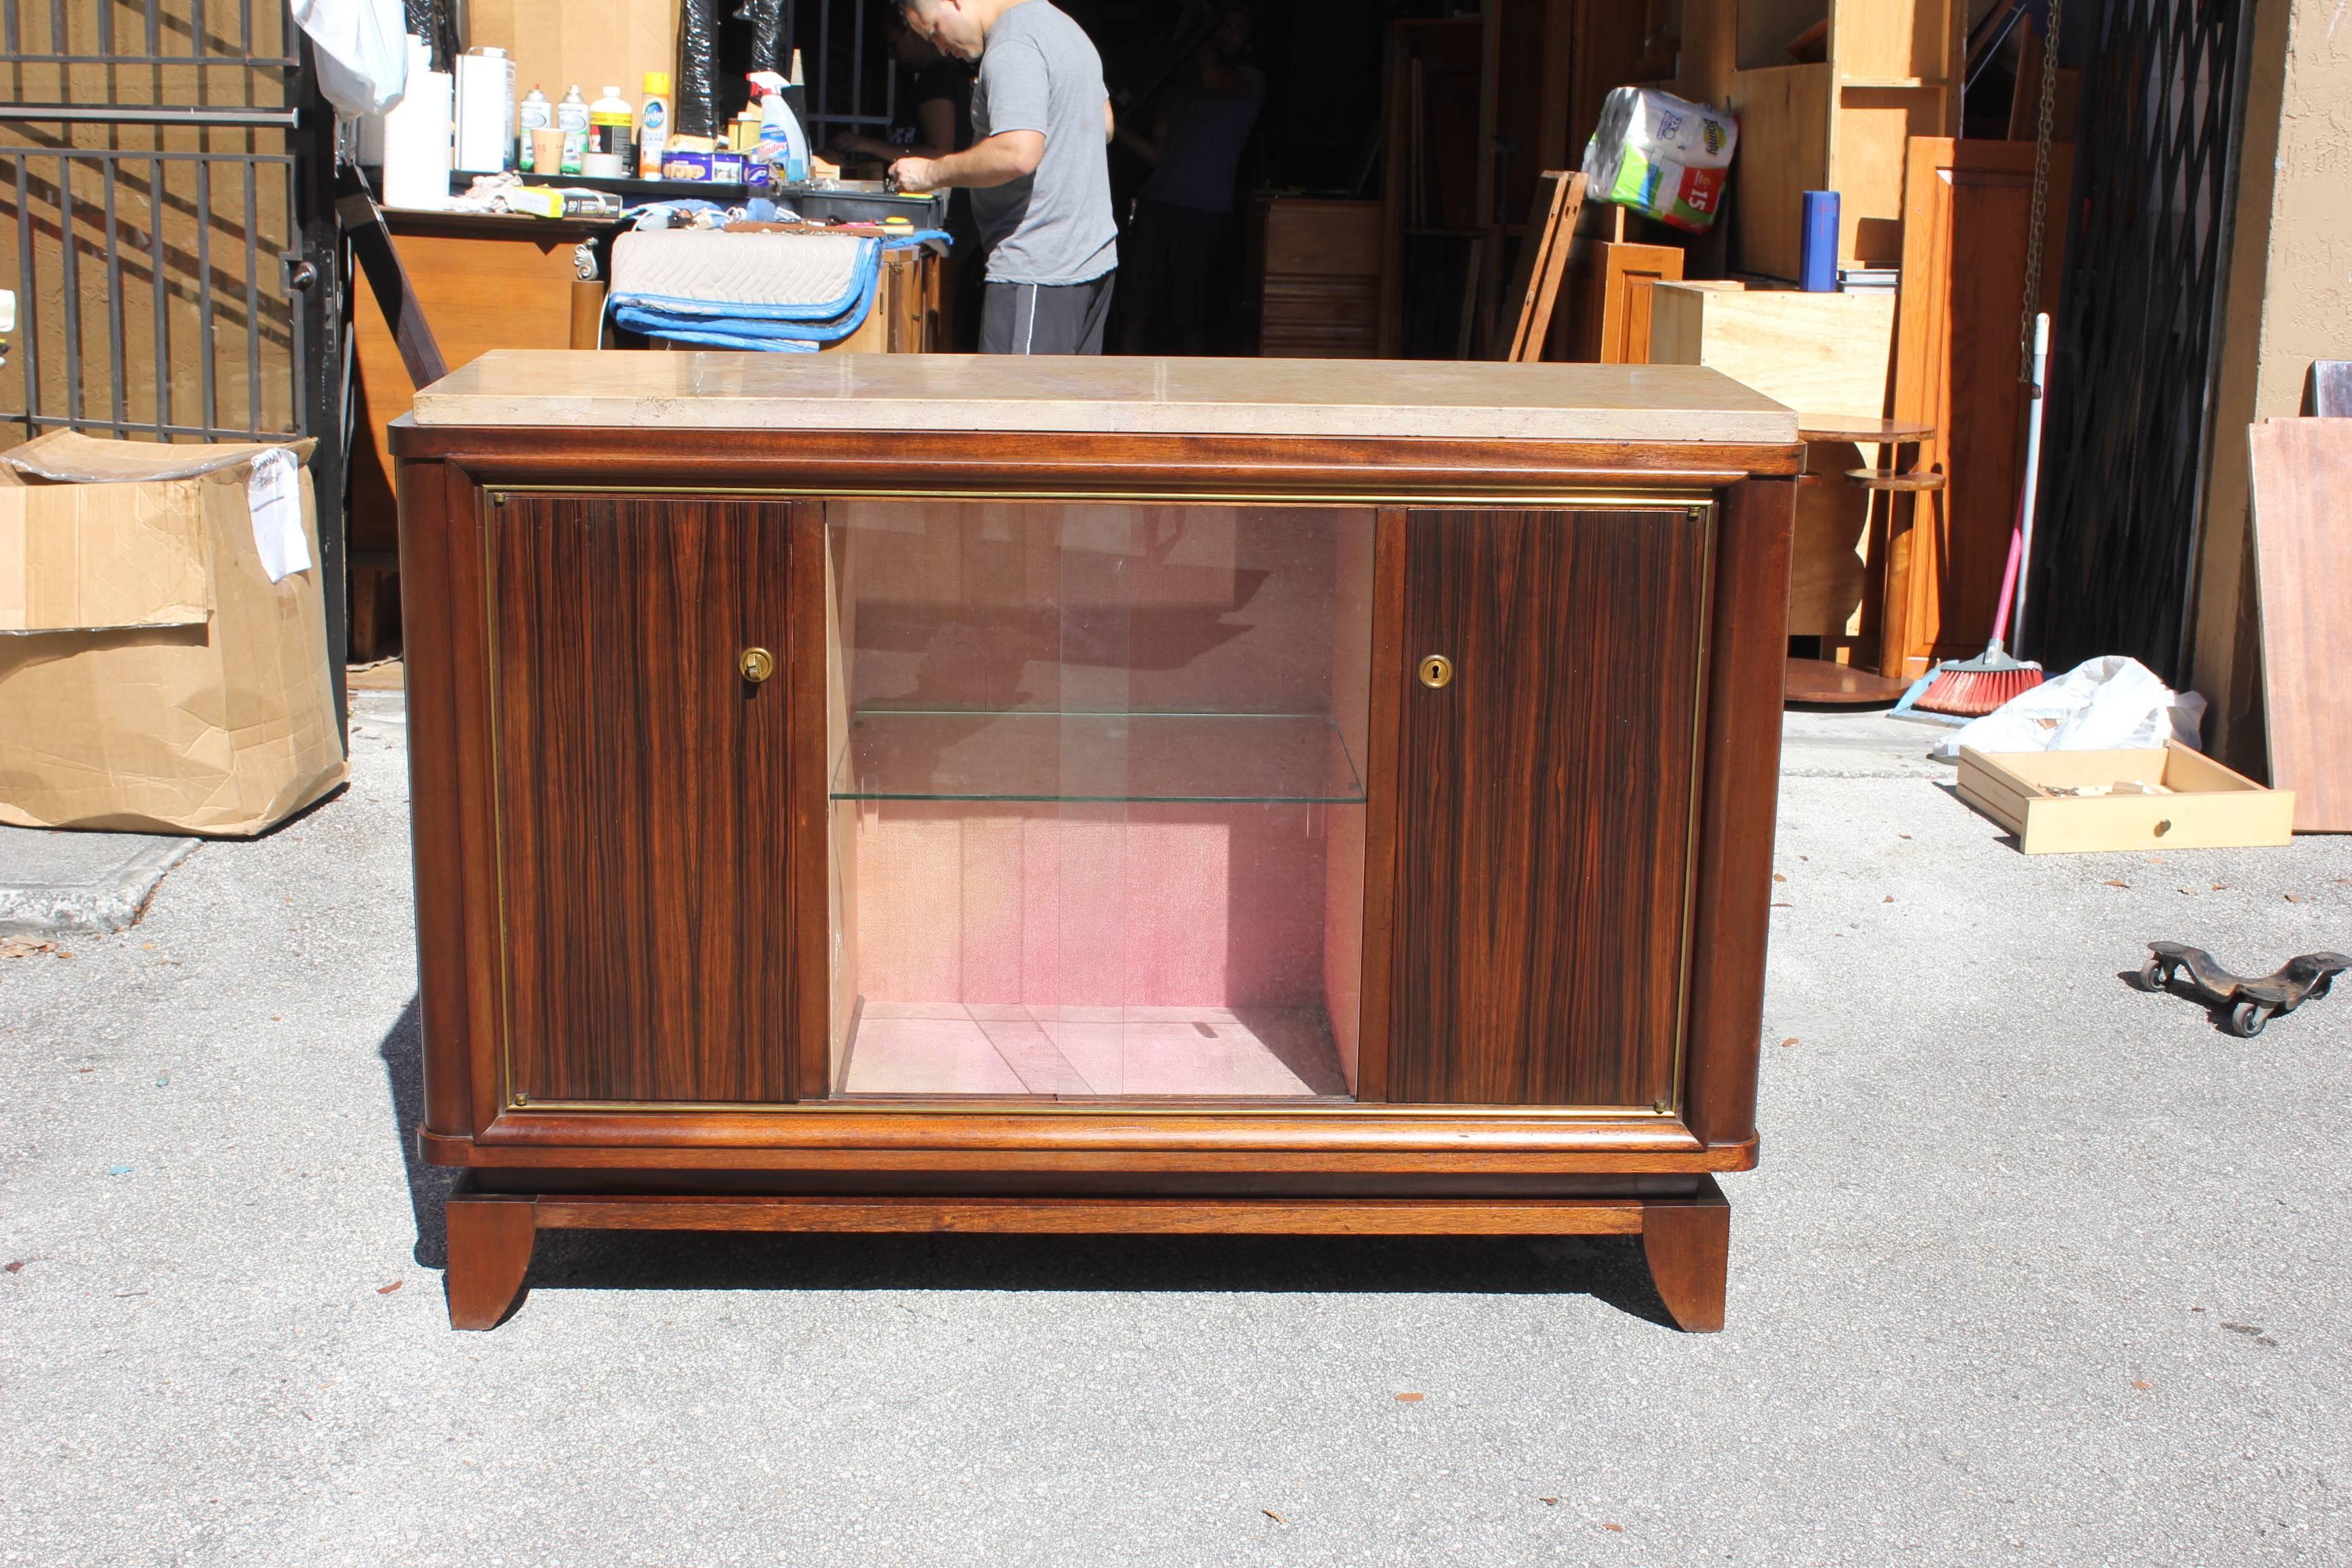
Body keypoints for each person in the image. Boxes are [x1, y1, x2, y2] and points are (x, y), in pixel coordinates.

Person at [889, 0, 1119, 355]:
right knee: (1067, 408)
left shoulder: (1012, 45)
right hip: (1092, 262)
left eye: (935, 30)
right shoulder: (1066, 28)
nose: (940, 48)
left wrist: (931, 172)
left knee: (1018, 408)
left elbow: (1017, 153)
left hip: (1037, 268)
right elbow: (1105, 125)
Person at [1113, 5, 1263, 354]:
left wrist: (1197, 30)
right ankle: (1120, 397)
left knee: (1191, 319)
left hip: (1202, 212)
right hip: (1156, 207)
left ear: (1250, 42)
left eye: (1238, 28)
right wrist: (1115, 128)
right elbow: (1157, 155)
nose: (1228, 31)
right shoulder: (1180, 90)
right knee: (1135, 310)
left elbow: (1213, 76)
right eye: (1224, 24)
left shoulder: (1251, 80)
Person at [828, 9, 974, 166]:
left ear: (912, 34)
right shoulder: (931, 77)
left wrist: (869, 145)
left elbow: (939, 154)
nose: (892, 55)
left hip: (939, 189)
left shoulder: (938, 78)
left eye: (894, 45)